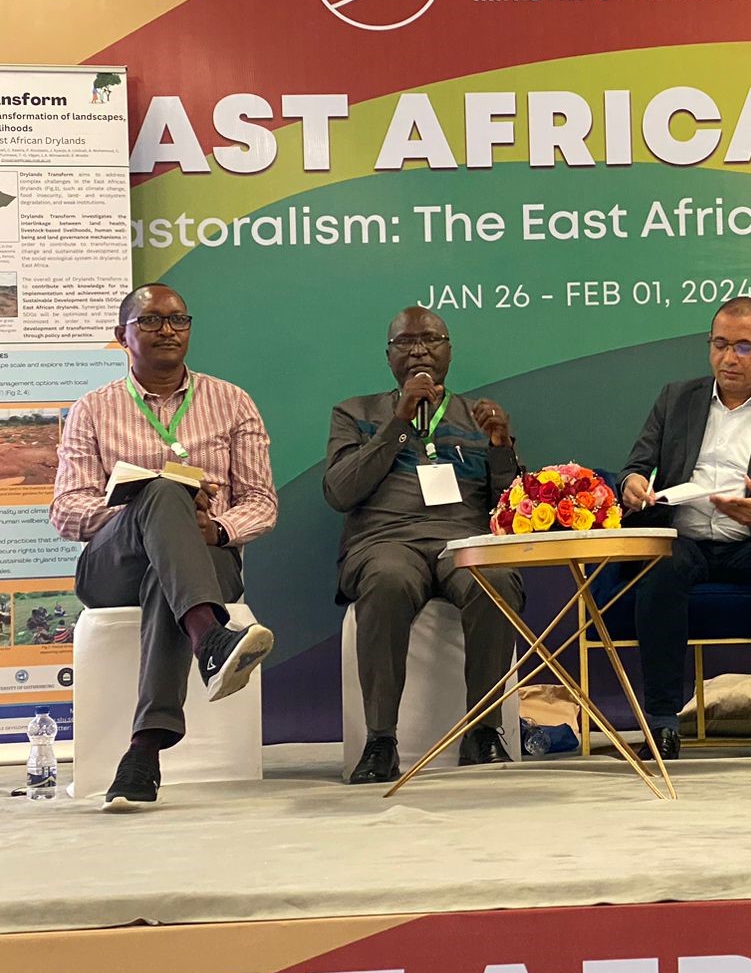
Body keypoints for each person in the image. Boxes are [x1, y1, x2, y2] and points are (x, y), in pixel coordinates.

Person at [51, 283, 278, 809]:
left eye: (178, 320)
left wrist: (216, 530)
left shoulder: (231, 401)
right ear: (122, 336)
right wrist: (140, 512)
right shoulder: (93, 409)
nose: (167, 331)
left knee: (168, 574)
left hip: (207, 555)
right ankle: (213, 642)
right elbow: (66, 509)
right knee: (161, 492)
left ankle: (143, 753)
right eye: (150, 322)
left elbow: (261, 502)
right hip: (114, 565)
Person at [618, 296, 751, 758]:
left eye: (744, 347)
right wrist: (632, 484)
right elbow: (637, 466)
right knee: (661, 567)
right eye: (720, 344)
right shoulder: (676, 399)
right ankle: (663, 725)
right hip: (685, 537)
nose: (729, 358)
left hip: (750, 543)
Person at [325, 307, 525, 783]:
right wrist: (397, 421)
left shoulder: (477, 415)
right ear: (388, 354)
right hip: (385, 542)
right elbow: (340, 491)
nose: (419, 350)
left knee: (495, 578)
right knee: (388, 580)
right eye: (405, 342)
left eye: (431, 339)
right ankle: (380, 742)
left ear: (449, 350)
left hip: (464, 542)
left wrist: (500, 447)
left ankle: (483, 732)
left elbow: (510, 510)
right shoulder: (355, 413)